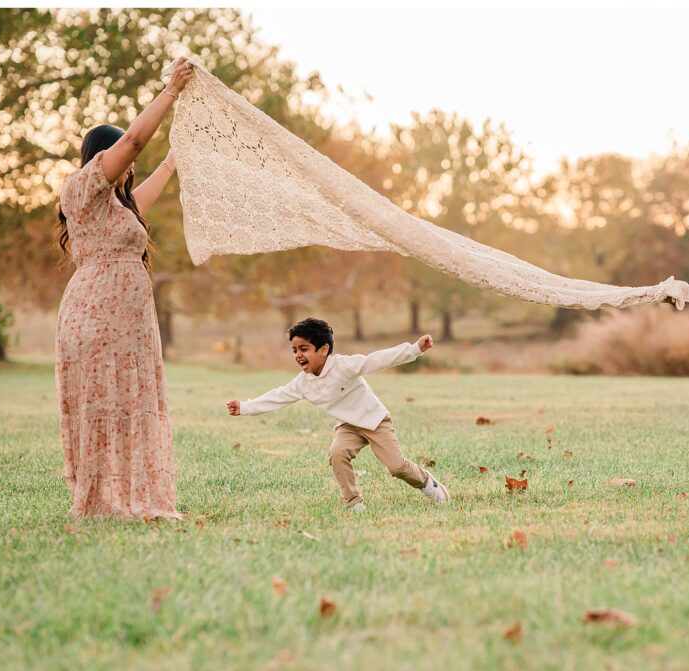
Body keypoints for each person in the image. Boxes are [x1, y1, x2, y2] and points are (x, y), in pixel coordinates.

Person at [55, 56, 195, 519]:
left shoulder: (116, 208)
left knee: (129, 406)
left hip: (127, 323)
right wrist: (169, 91)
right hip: (96, 316)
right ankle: (100, 500)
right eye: (122, 159)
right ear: (100, 157)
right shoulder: (80, 189)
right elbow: (135, 141)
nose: (131, 165)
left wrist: (175, 156)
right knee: (106, 407)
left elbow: (150, 187)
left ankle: (125, 497)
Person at [226, 318, 451, 512]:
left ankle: (427, 484)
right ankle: (354, 503)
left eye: (304, 349)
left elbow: (377, 359)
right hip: (348, 426)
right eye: (294, 350)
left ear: (323, 350)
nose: (298, 355)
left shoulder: (344, 366)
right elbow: (278, 396)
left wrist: (414, 349)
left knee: (396, 467)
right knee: (337, 453)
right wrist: (245, 407)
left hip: (375, 421)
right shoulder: (303, 383)